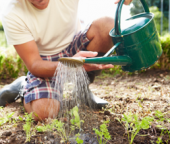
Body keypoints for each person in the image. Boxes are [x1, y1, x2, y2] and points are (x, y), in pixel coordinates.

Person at [0, 0, 132, 121]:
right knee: (45, 112)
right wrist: (69, 65)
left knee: (106, 25)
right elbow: (34, 63)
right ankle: (25, 87)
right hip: (45, 60)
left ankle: (82, 91)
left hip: (74, 44)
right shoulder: (12, 12)